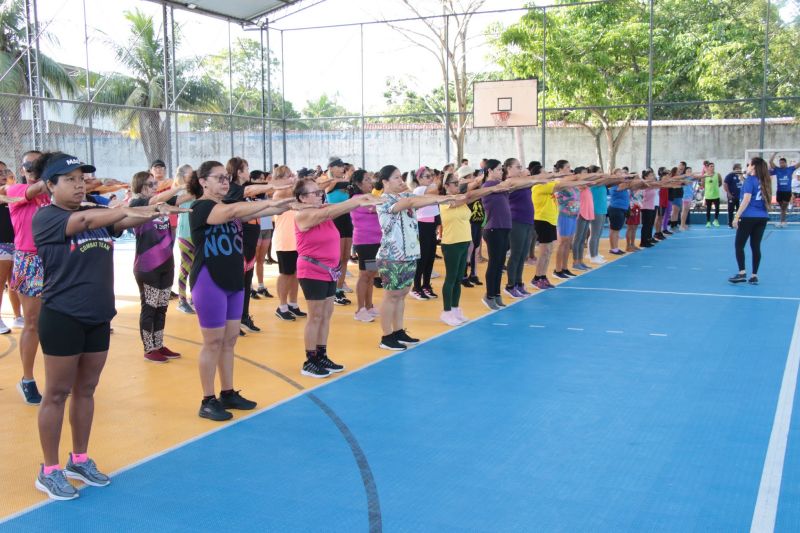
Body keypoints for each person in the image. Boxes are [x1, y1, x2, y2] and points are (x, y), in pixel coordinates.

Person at [32, 152, 186, 500]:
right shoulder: (47, 218)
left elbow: (124, 221)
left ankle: (79, 459)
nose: (78, 184)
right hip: (62, 317)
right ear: (50, 185)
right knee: (57, 393)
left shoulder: (97, 215)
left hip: (98, 315)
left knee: (86, 390)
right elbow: (86, 222)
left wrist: (153, 209)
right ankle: (49, 469)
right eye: (69, 179)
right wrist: (136, 207)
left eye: (81, 178)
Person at [187, 160, 294, 421]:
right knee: (212, 342)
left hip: (233, 280)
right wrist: (271, 198)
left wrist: (290, 200)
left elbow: (249, 211)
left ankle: (228, 392)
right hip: (208, 280)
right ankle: (207, 399)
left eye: (226, 177)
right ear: (203, 182)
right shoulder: (200, 207)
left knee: (230, 340)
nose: (225, 181)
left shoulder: (227, 207)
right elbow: (238, 209)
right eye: (219, 178)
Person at [293, 178, 384, 377]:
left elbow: (332, 210)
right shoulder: (303, 215)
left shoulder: (323, 210)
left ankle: (321, 354)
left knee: (325, 315)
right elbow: (329, 211)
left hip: (329, 270)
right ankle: (310, 360)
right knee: (315, 316)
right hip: (312, 270)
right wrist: (359, 201)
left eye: (319, 191)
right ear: (302, 198)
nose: (320, 194)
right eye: (314, 192)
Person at [376, 165, 454, 351]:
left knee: (402, 295)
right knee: (391, 295)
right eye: (395, 178)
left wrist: (444, 198)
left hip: (409, 252)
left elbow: (422, 200)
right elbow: (411, 203)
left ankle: (398, 331)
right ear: (385, 182)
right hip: (392, 255)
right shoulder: (383, 200)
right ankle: (386, 336)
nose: (400, 181)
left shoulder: (405, 196)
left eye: (400, 177)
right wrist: (444, 198)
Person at [128, 170, 189, 363]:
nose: (155, 187)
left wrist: (198, 187)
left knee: (162, 307)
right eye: (151, 185)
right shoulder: (136, 203)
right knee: (150, 307)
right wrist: (178, 186)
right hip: (147, 266)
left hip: (166, 263)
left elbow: (180, 200)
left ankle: (159, 344)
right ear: (141, 187)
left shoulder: (160, 204)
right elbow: (158, 200)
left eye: (156, 184)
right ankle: (149, 348)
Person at [439, 171, 508, 325]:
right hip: (451, 243)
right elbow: (469, 196)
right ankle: (446, 311)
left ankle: (455, 309)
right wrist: (489, 188)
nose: (458, 186)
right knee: (451, 278)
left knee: (458, 279)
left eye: (458, 183)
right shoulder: (445, 200)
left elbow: (474, 195)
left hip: (464, 242)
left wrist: (489, 189)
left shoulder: (463, 200)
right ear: (446, 186)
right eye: (455, 183)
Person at [8, 149, 46, 404]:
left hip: (55, 258)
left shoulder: (53, 193)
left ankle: (58, 376)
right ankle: (27, 379)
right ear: (21, 169)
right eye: (27, 165)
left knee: (56, 321)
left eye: (38, 165)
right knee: (32, 322)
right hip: (29, 260)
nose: (31, 168)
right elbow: (31, 192)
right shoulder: (14, 191)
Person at [729, 158, 772, 285]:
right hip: (762, 217)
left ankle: (742, 273)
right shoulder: (765, 181)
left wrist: (736, 216)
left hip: (748, 216)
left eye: (749, 165)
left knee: (739, 245)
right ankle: (754, 275)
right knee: (755, 246)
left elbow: (746, 199)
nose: (747, 166)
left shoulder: (750, 180)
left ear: (753, 167)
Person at [271, 166, 306, 321]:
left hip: (297, 240)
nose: (292, 178)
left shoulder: (292, 191)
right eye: (288, 176)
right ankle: (282, 305)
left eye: (292, 175)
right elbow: (291, 192)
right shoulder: (280, 194)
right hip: (285, 240)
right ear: (279, 179)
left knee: (295, 274)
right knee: (285, 274)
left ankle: (293, 303)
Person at [319, 157, 353, 305]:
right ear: (331, 168)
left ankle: (339, 289)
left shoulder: (345, 182)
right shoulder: (329, 182)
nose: (342, 169)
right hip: (335, 219)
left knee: (345, 257)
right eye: (338, 166)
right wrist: (353, 180)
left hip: (347, 219)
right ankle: (331, 290)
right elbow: (334, 185)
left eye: (343, 167)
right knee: (336, 258)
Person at [349, 170, 382, 321]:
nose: (371, 182)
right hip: (365, 242)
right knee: (364, 275)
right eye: (367, 179)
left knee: (370, 274)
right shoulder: (357, 199)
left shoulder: (371, 196)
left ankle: (369, 305)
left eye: (371, 179)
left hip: (375, 241)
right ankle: (360, 309)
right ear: (358, 184)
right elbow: (376, 207)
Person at [506, 158, 536, 296]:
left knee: (523, 254)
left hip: (528, 221)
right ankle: (510, 284)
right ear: (509, 169)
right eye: (517, 167)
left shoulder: (524, 182)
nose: (520, 169)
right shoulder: (509, 182)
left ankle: (518, 282)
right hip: (516, 221)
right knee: (516, 254)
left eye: (520, 167)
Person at [410, 166, 440, 300]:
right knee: (422, 259)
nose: (431, 178)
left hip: (431, 224)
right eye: (427, 176)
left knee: (430, 257)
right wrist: (440, 180)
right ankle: (416, 287)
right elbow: (434, 189)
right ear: (419, 178)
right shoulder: (420, 189)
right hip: (422, 225)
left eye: (431, 175)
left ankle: (426, 285)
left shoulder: (429, 189)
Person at [0, 169, 22, 333]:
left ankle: (18, 316)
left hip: (17, 243)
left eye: (6, 174)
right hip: (1, 244)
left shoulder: (14, 193)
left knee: (15, 283)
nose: (4, 177)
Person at [174, 164, 196, 314]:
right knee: (186, 266)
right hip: (185, 232)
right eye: (190, 173)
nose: (193, 175)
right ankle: (182, 300)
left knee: (196, 267)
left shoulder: (194, 188)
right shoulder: (181, 190)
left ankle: (195, 296)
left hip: (195, 231)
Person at [251, 170, 275, 297]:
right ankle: (249, 286)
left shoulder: (266, 193)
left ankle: (261, 286)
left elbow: (274, 188)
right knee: (251, 260)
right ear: (253, 180)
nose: (262, 181)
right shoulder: (250, 194)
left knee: (260, 259)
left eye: (263, 178)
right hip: (256, 228)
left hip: (267, 227)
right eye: (259, 179)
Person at [606, 172, 635, 255]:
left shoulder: (622, 184)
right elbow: (625, 186)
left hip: (622, 209)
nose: (624, 175)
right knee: (614, 230)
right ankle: (613, 248)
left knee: (617, 230)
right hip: (616, 209)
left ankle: (615, 247)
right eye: (621, 173)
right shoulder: (616, 185)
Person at [769, 152, 799, 227]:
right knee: (782, 208)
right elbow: (770, 162)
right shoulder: (777, 169)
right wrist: (774, 154)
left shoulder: (790, 169)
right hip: (779, 191)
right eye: (780, 163)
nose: (781, 164)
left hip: (787, 192)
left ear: (785, 163)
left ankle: (782, 221)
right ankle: (783, 221)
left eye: (782, 163)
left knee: (784, 207)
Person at [701, 161, 722, 227]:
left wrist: (715, 188)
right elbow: (702, 184)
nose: (712, 167)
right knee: (708, 209)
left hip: (716, 195)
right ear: (708, 167)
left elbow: (720, 183)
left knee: (717, 208)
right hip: (708, 195)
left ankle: (715, 220)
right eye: (711, 166)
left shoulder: (717, 174)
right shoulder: (705, 175)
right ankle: (708, 222)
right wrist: (708, 189)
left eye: (713, 166)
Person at [723, 163, 743, 229]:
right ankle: (730, 223)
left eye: (740, 168)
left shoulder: (741, 176)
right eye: (738, 168)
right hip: (732, 196)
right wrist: (729, 193)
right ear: (735, 169)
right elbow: (725, 184)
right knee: (731, 210)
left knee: (739, 210)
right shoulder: (730, 175)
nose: (739, 169)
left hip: (740, 197)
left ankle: (738, 223)